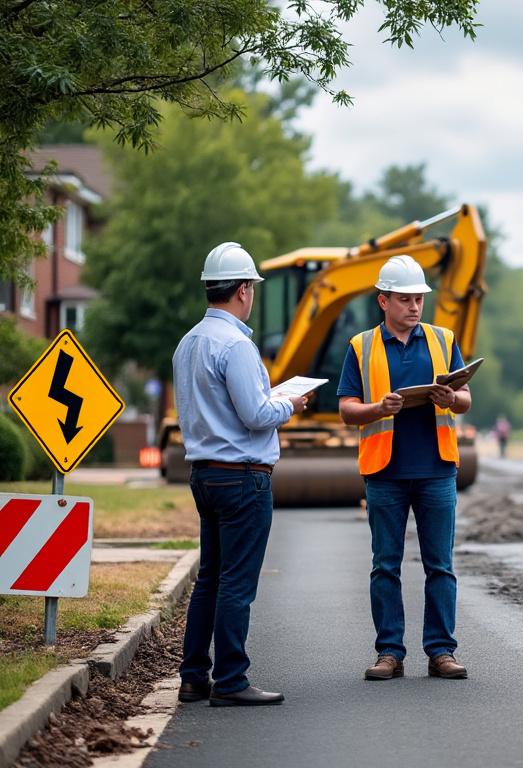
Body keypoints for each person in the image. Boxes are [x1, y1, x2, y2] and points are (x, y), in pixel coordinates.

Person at [173, 242, 306, 707]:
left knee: (210, 577)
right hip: (243, 477)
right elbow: (254, 414)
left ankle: (193, 677)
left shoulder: (188, 342)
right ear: (244, 290)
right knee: (236, 583)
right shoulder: (238, 344)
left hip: (204, 475)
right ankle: (230, 680)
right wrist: (290, 403)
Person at [337, 255, 472, 681]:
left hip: (437, 469)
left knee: (441, 565)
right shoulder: (361, 346)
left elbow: (466, 399)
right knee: (385, 565)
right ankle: (390, 653)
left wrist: (451, 399)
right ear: (383, 301)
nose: (414, 307)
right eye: (405, 299)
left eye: (418, 299)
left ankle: (441, 651)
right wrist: (379, 407)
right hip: (385, 472)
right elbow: (346, 409)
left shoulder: (442, 338)